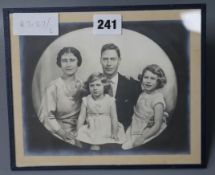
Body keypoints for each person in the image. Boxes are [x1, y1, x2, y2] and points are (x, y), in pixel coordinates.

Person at [38, 47, 84, 146]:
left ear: (78, 62)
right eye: (64, 61)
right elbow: (46, 116)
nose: (68, 64)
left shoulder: (82, 85)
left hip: (80, 130)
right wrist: (63, 134)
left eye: (72, 60)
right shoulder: (53, 87)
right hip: (60, 132)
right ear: (60, 64)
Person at [122, 64, 168, 150]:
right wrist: (128, 79)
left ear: (158, 81)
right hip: (136, 124)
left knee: (134, 146)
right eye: (146, 77)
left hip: (149, 129)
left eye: (152, 78)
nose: (148, 81)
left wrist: (142, 137)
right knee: (123, 143)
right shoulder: (143, 92)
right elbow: (135, 83)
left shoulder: (157, 100)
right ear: (142, 78)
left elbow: (157, 125)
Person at [76, 72, 126, 150]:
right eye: (92, 85)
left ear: (104, 86)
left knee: (110, 145)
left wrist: (114, 132)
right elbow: (81, 117)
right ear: (88, 87)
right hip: (92, 128)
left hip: (107, 128)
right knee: (93, 147)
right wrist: (78, 132)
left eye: (98, 85)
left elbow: (114, 117)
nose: (95, 88)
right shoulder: (86, 99)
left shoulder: (110, 100)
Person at [100, 43, 141, 130]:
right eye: (105, 59)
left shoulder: (132, 85)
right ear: (100, 60)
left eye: (113, 59)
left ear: (119, 60)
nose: (108, 63)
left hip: (125, 134)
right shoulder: (91, 84)